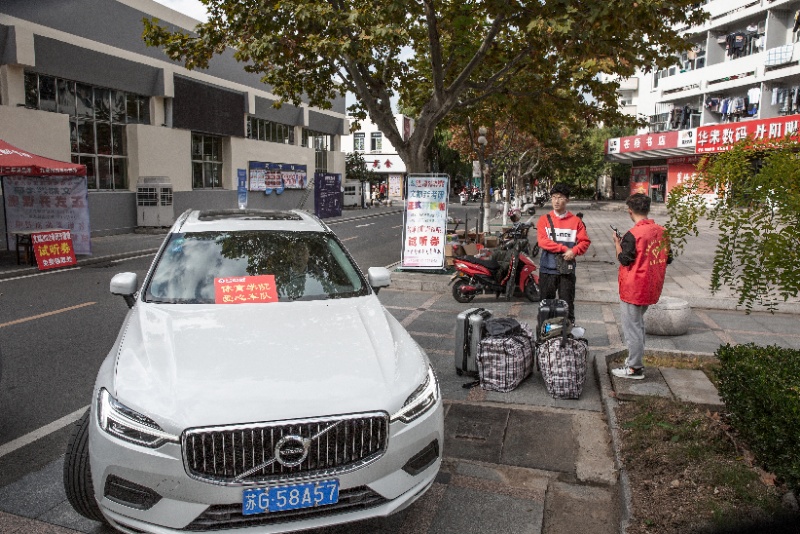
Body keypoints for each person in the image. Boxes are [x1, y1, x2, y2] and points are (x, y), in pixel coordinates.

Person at [611, 193, 673, 380]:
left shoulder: (633, 234)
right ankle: (634, 360)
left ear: (630, 211)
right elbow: (668, 258)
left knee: (633, 329)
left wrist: (617, 243)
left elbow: (624, 259)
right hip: (651, 286)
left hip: (633, 288)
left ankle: (634, 368)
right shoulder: (663, 231)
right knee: (638, 325)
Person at [536, 183, 591, 323]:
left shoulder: (576, 221)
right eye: (554, 197)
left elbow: (585, 242)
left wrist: (574, 251)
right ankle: (544, 332)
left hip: (567, 271)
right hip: (547, 270)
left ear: (567, 200)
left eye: (560, 197)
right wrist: (564, 249)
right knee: (545, 306)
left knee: (567, 306)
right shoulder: (544, 220)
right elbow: (543, 242)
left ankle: (567, 332)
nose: (556, 201)